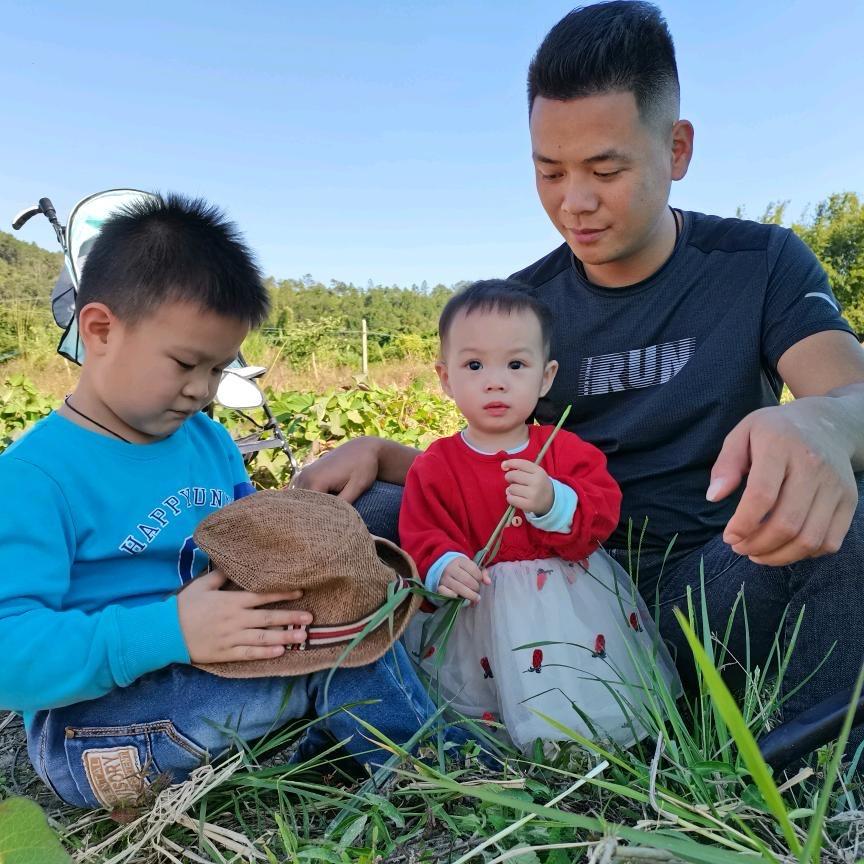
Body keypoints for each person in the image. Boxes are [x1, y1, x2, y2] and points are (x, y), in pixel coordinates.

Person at [296, 2, 864, 746]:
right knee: (355, 521)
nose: (575, 203)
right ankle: (374, 730)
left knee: (846, 504)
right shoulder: (524, 303)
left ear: (678, 148)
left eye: (605, 168)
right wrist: (380, 454)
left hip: (713, 588)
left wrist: (817, 420)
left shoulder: (759, 263)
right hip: (546, 592)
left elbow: (853, 394)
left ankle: (795, 762)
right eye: (549, 171)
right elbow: (487, 459)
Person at [0, 194, 468, 811]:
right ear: (101, 330)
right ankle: (441, 768)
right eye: (185, 364)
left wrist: (315, 552)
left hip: (227, 657)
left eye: (218, 369)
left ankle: (318, 724)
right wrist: (171, 632)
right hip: (102, 724)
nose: (201, 390)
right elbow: (11, 656)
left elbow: (249, 537)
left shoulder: (207, 439)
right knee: (340, 651)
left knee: (376, 517)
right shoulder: (36, 477)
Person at [398, 280, 679, 750]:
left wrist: (554, 502)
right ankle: (510, 746)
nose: (495, 380)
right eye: (474, 365)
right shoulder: (437, 463)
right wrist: (443, 563)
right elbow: (421, 530)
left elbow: (601, 513)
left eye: (515, 364)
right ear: (446, 378)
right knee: (491, 694)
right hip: (483, 604)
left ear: (545, 377)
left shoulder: (563, 449)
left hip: (567, 596)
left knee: (577, 679)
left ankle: (578, 743)